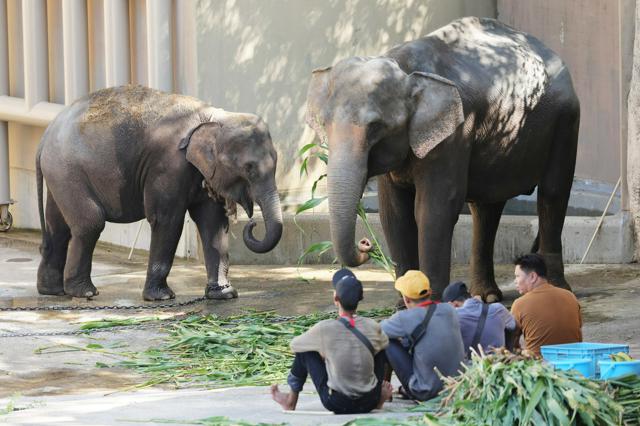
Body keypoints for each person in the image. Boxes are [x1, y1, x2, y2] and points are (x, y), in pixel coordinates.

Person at [271, 268, 392, 414]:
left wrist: (326, 351)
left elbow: (295, 345)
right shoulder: (372, 326)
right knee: (381, 347)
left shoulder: (324, 328)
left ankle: (291, 400)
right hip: (369, 401)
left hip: (337, 403)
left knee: (305, 351)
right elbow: (385, 343)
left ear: (335, 298)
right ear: (360, 299)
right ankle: (379, 395)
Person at [381, 270, 465, 401]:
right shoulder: (449, 310)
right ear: (430, 292)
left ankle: (383, 393)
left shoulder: (404, 318)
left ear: (406, 299)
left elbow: (376, 331)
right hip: (455, 389)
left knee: (386, 341)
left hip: (426, 392)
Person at [511, 253, 582, 356]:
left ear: (532, 277)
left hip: (540, 367)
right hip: (575, 360)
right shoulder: (570, 296)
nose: (515, 281)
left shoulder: (520, 304)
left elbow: (510, 343)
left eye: (517, 276)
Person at [443, 281, 516, 357]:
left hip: (471, 367)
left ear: (452, 304)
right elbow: (513, 325)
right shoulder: (499, 309)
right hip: (501, 364)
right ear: (471, 296)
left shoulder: (453, 317)